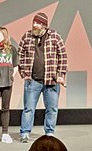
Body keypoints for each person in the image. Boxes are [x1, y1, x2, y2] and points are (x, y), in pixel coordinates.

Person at [18, 12, 68, 143]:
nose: (35, 25)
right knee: (29, 108)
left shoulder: (54, 36)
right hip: (32, 80)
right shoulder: (27, 36)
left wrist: (61, 75)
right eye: (34, 22)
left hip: (51, 80)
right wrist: (24, 73)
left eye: (38, 23)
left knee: (52, 108)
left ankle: (49, 133)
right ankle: (25, 133)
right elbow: (20, 55)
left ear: (44, 25)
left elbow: (62, 55)